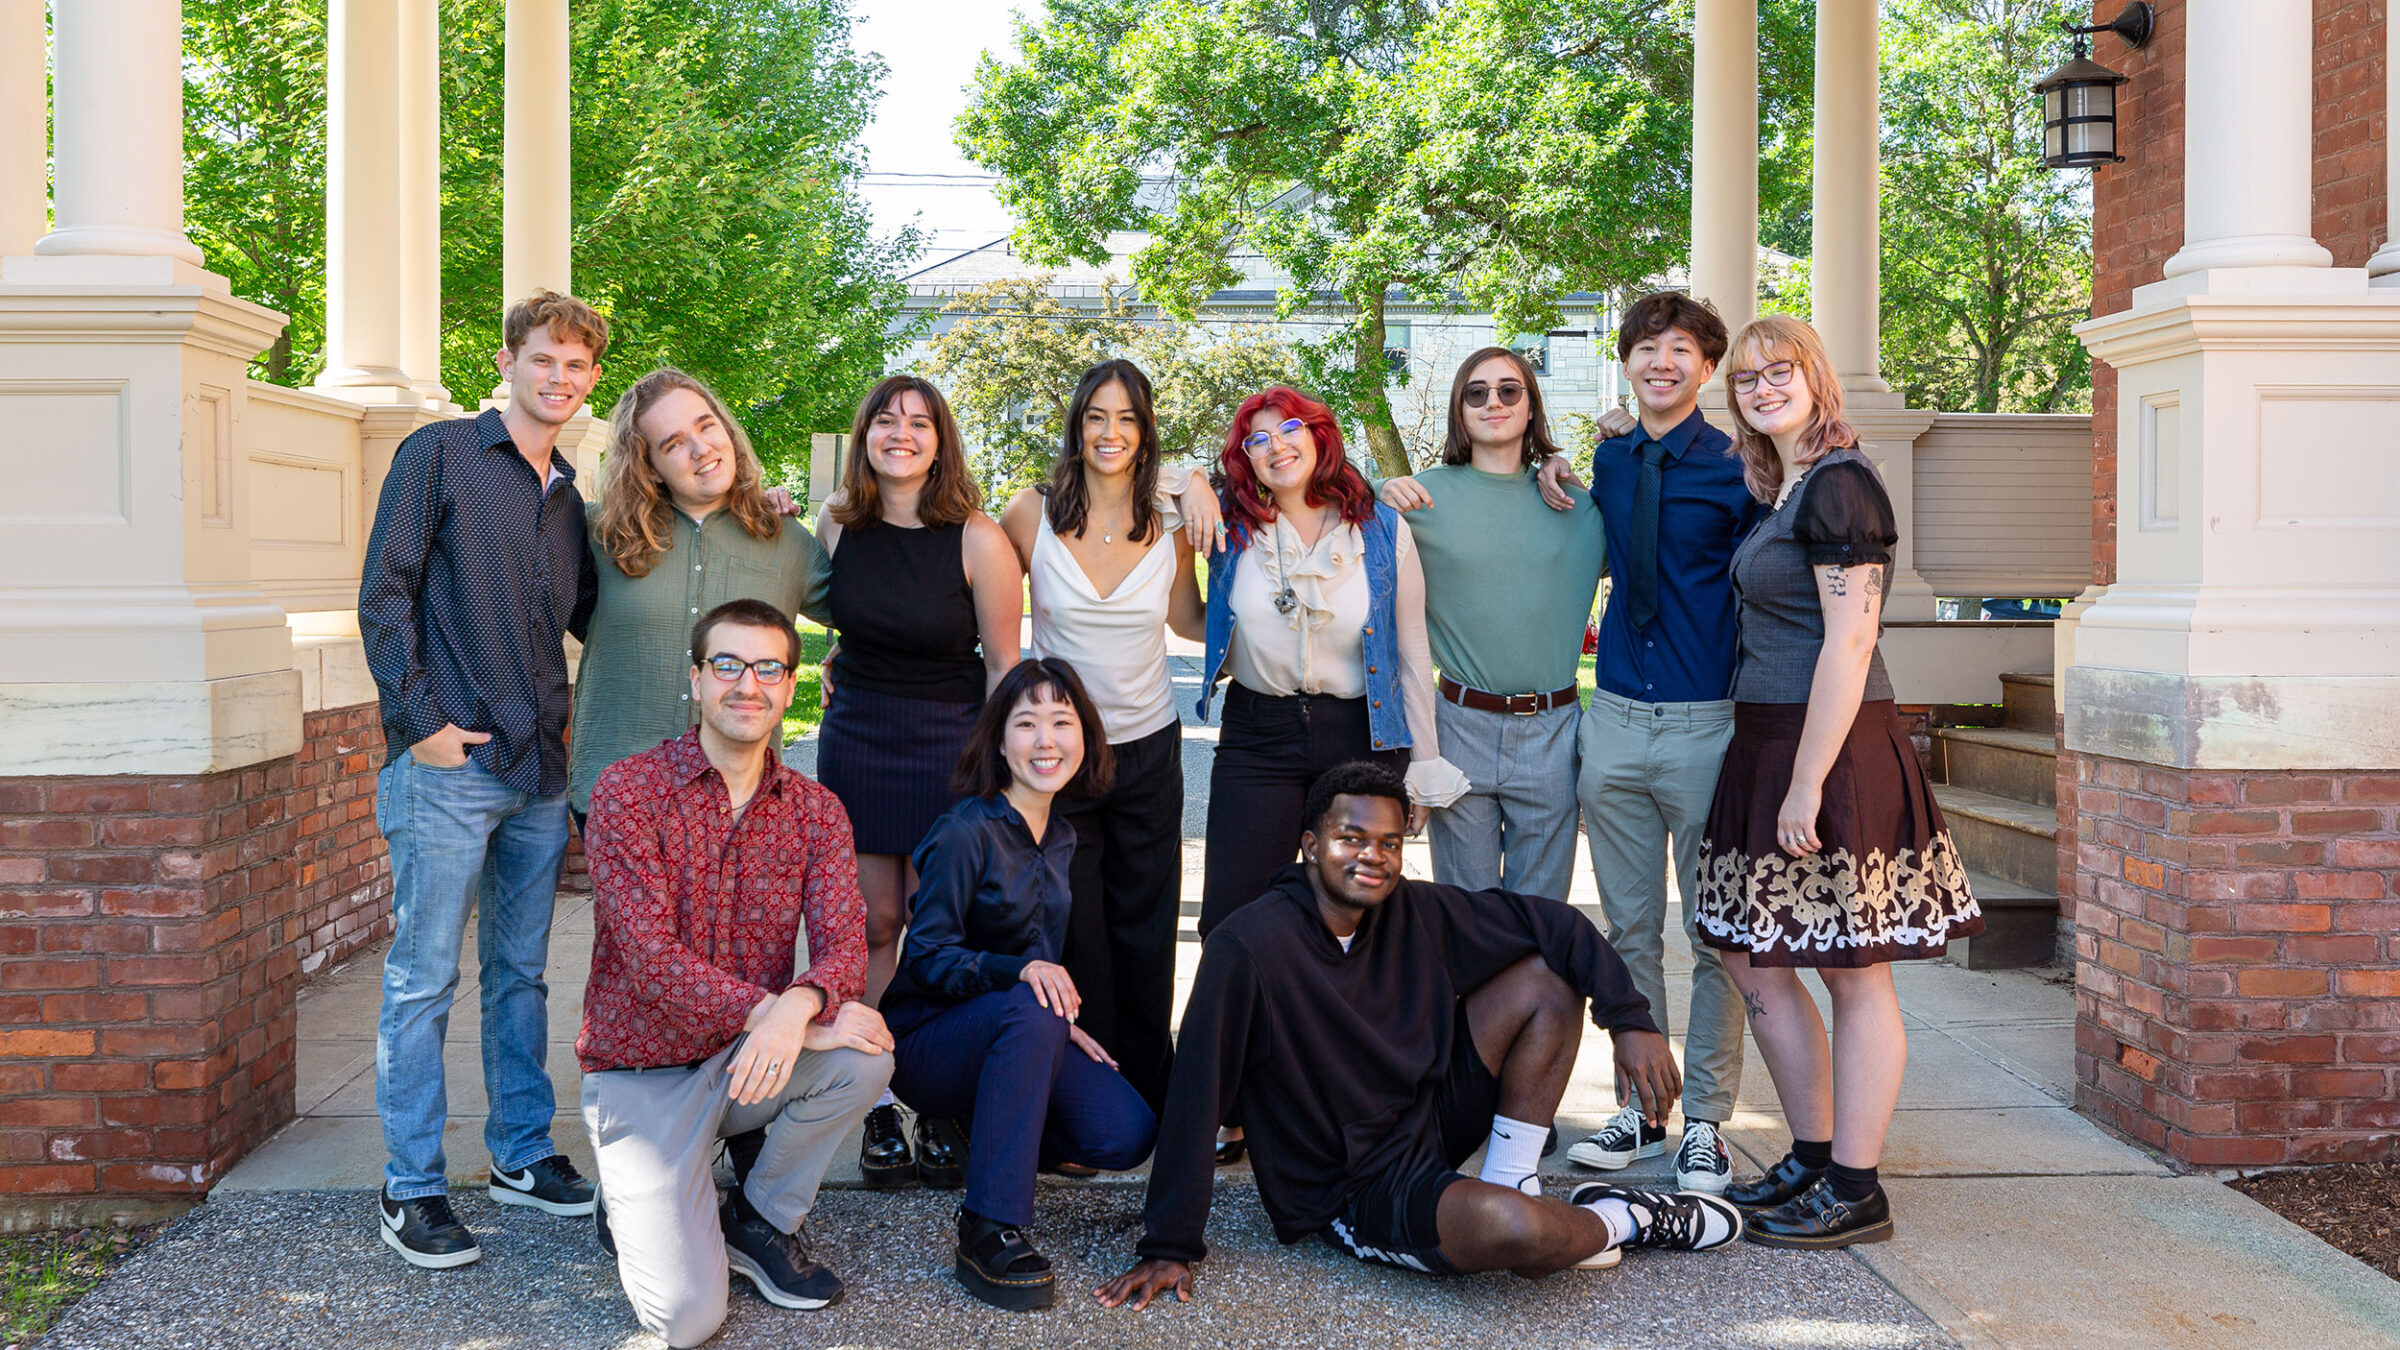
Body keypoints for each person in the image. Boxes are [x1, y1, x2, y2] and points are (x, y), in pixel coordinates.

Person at [1094, 761, 1740, 1310]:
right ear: (1311, 844)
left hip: (1428, 1123)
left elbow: (1558, 925)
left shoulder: (1416, 911)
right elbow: (1196, 1093)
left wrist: (1629, 1018)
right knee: (1519, 1237)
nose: (1372, 856)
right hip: (1350, 1188)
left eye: (1388, 842)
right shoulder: (1249, 946)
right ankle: (1628, 1217)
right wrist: (1168, 1244)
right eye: (1351, 837)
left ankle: (1514, 1174)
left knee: (1546, 978)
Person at [1696, 316, 1982, 1248]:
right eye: (1747, 378)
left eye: (1781, 371)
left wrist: (1806, 781)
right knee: (1754, 955)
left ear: (1817, 378)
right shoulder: (1785, 489)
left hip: (1832, 748)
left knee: (1852, 970)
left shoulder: (1844, 484)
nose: (1764, 386)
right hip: (1767, 738)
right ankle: (1814, 1156)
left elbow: (1852, 642)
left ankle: (1856, 1186)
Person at [357, 289, 605, 1267]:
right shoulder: (441, 454)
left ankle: (520, 1155)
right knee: (424, 979)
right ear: (508, 361)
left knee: (521, 974)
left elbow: (596, 612)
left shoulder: (566, 496)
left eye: (578, 365)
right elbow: (386, 592)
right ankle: (410, 1186)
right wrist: (421, 724)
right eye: (544, 357)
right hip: (452, 763)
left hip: (539, 767)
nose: (560, 377)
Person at [578, 599, 893, 1343]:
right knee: (687, 1321)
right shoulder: (628, 793)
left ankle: (758, 1218)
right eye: (727, 665)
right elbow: (651, 962)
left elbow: (848, 943)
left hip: (745, 1063)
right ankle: (630, 1193)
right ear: (696, 679)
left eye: (767, 669)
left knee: (864, 1054)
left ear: (790, 688)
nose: (746, 685)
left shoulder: (816, 811)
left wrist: (805, 1006)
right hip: (641, 1077)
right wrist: (784, 1018)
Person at [1548, 293, 1761, 1196]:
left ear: (1707, 368)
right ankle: (1643, 1106)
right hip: (1617, 723)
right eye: (1645, 348)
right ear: (1627, 362)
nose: (1661, 362)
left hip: (1708, 726)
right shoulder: (1612, 457)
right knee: (1629, 928)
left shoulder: (1742, 467)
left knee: (1715, 934)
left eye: (1681, 349)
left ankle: (1707, 1122)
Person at [884, 658, 1160, 1310]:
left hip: (1011, 1026)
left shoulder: (1061, 836)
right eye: (1027, 722)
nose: (1045, 741)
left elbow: (1038, 962)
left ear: (1085, 738)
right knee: (1033, 1013)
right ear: (999, 740)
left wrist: (1057, 1020)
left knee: (1125, 1134)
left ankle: (977, 1128)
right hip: (926, 1041)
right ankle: (988, 1224)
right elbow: (925, 958)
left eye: (1062, 723)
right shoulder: (964, 831)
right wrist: (1025, 987)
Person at [811, 374, 1022, 1188]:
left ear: (941, 441)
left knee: (938, 930)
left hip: (951, 744)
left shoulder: (976, 536)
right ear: (865, 434)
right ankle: (871, 1106)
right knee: (871, 923)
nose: (903, 433)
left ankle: (935, 1096)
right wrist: (833, 661)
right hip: (858, 735)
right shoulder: (836, 523)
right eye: (888, 420)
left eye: (921, 422)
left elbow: (1004, 664)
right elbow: (837, 620)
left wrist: (1005, 779)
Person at [998, 360, 1210, 1115]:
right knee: (1072, 927)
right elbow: (972, 595)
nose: (1110, 431)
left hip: (1148, 743)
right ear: (1076, 425)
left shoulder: (1172, 521)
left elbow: (1188, 621)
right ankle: (1083, 1096)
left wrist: (1263, 604)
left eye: (1126, 417)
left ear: (1145, 427)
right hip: (1058, 759)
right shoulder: (1029, 513)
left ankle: (1149, 1094)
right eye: (1096, 416)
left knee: (1146, 926)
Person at [1369, 348, 1607, 900]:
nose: (1492, 402)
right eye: (1476, 393)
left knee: (1540, 915)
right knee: (1465, 914)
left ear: (1531, 407)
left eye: (1509, 390)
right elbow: (1325, 501)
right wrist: (1376, 488)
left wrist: (1616, 434)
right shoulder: (1417, 498)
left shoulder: (1579, 505)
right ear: (1459, 409)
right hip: (1457, 725)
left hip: (1554, 728)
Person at [571, 367, 834, 820]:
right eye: (672, 444)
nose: (700, 449)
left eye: (706, 426)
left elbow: (874, 618)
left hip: (740, 802)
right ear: (647, 465)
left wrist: (843, 654)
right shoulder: (598, 533)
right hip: (618, 798)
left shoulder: (786, 539)